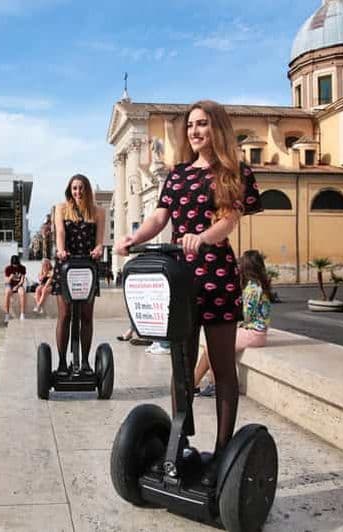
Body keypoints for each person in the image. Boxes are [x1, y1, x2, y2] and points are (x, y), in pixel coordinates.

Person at [114, 100, 262, 487]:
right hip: (180, 277)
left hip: (216, 275)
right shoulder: (178, 174)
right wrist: (135, 238)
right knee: (181, 366)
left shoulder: (234, 171)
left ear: (218, 129)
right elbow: (160, 216)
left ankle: (223, 451)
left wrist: (203, 237)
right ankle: (180, 445)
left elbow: (229, 219)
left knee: (222, 365)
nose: (195, 131)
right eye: (192, 125)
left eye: (203, 124)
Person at [195, 249, 272, 397]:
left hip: (254, 334)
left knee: (214, 346)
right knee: (211, 346)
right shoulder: (258, 285)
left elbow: (245, 316)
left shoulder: (252, 290)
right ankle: (195, 384)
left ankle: (213, 384)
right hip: (254, 332)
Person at [51, 173, 105, 374]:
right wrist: (61, 250)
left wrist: (99, 249)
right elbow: (60, 233)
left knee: (86, 316)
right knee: (64, 316)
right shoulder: (61, 209)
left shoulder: (98, 211)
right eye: (74, 188)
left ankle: (85, 363)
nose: (78, 192)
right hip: (66, 265)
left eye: (81, 188)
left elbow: (99, 239)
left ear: (87, 190)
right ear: (69, 190)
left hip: (87, 266)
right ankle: (63, 363)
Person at [3, 254, 27, 322]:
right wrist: (10, 277)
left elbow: (22, 280)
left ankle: (22, 314)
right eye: (14, 264)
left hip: (18, 285)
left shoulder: (22, 268)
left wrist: (17, 286)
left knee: (22, 293)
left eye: (16, 264)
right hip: (9, 285)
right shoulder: (8, 268)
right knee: (7, 293)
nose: (15, 266)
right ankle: (7, 314)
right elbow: (6, 281)